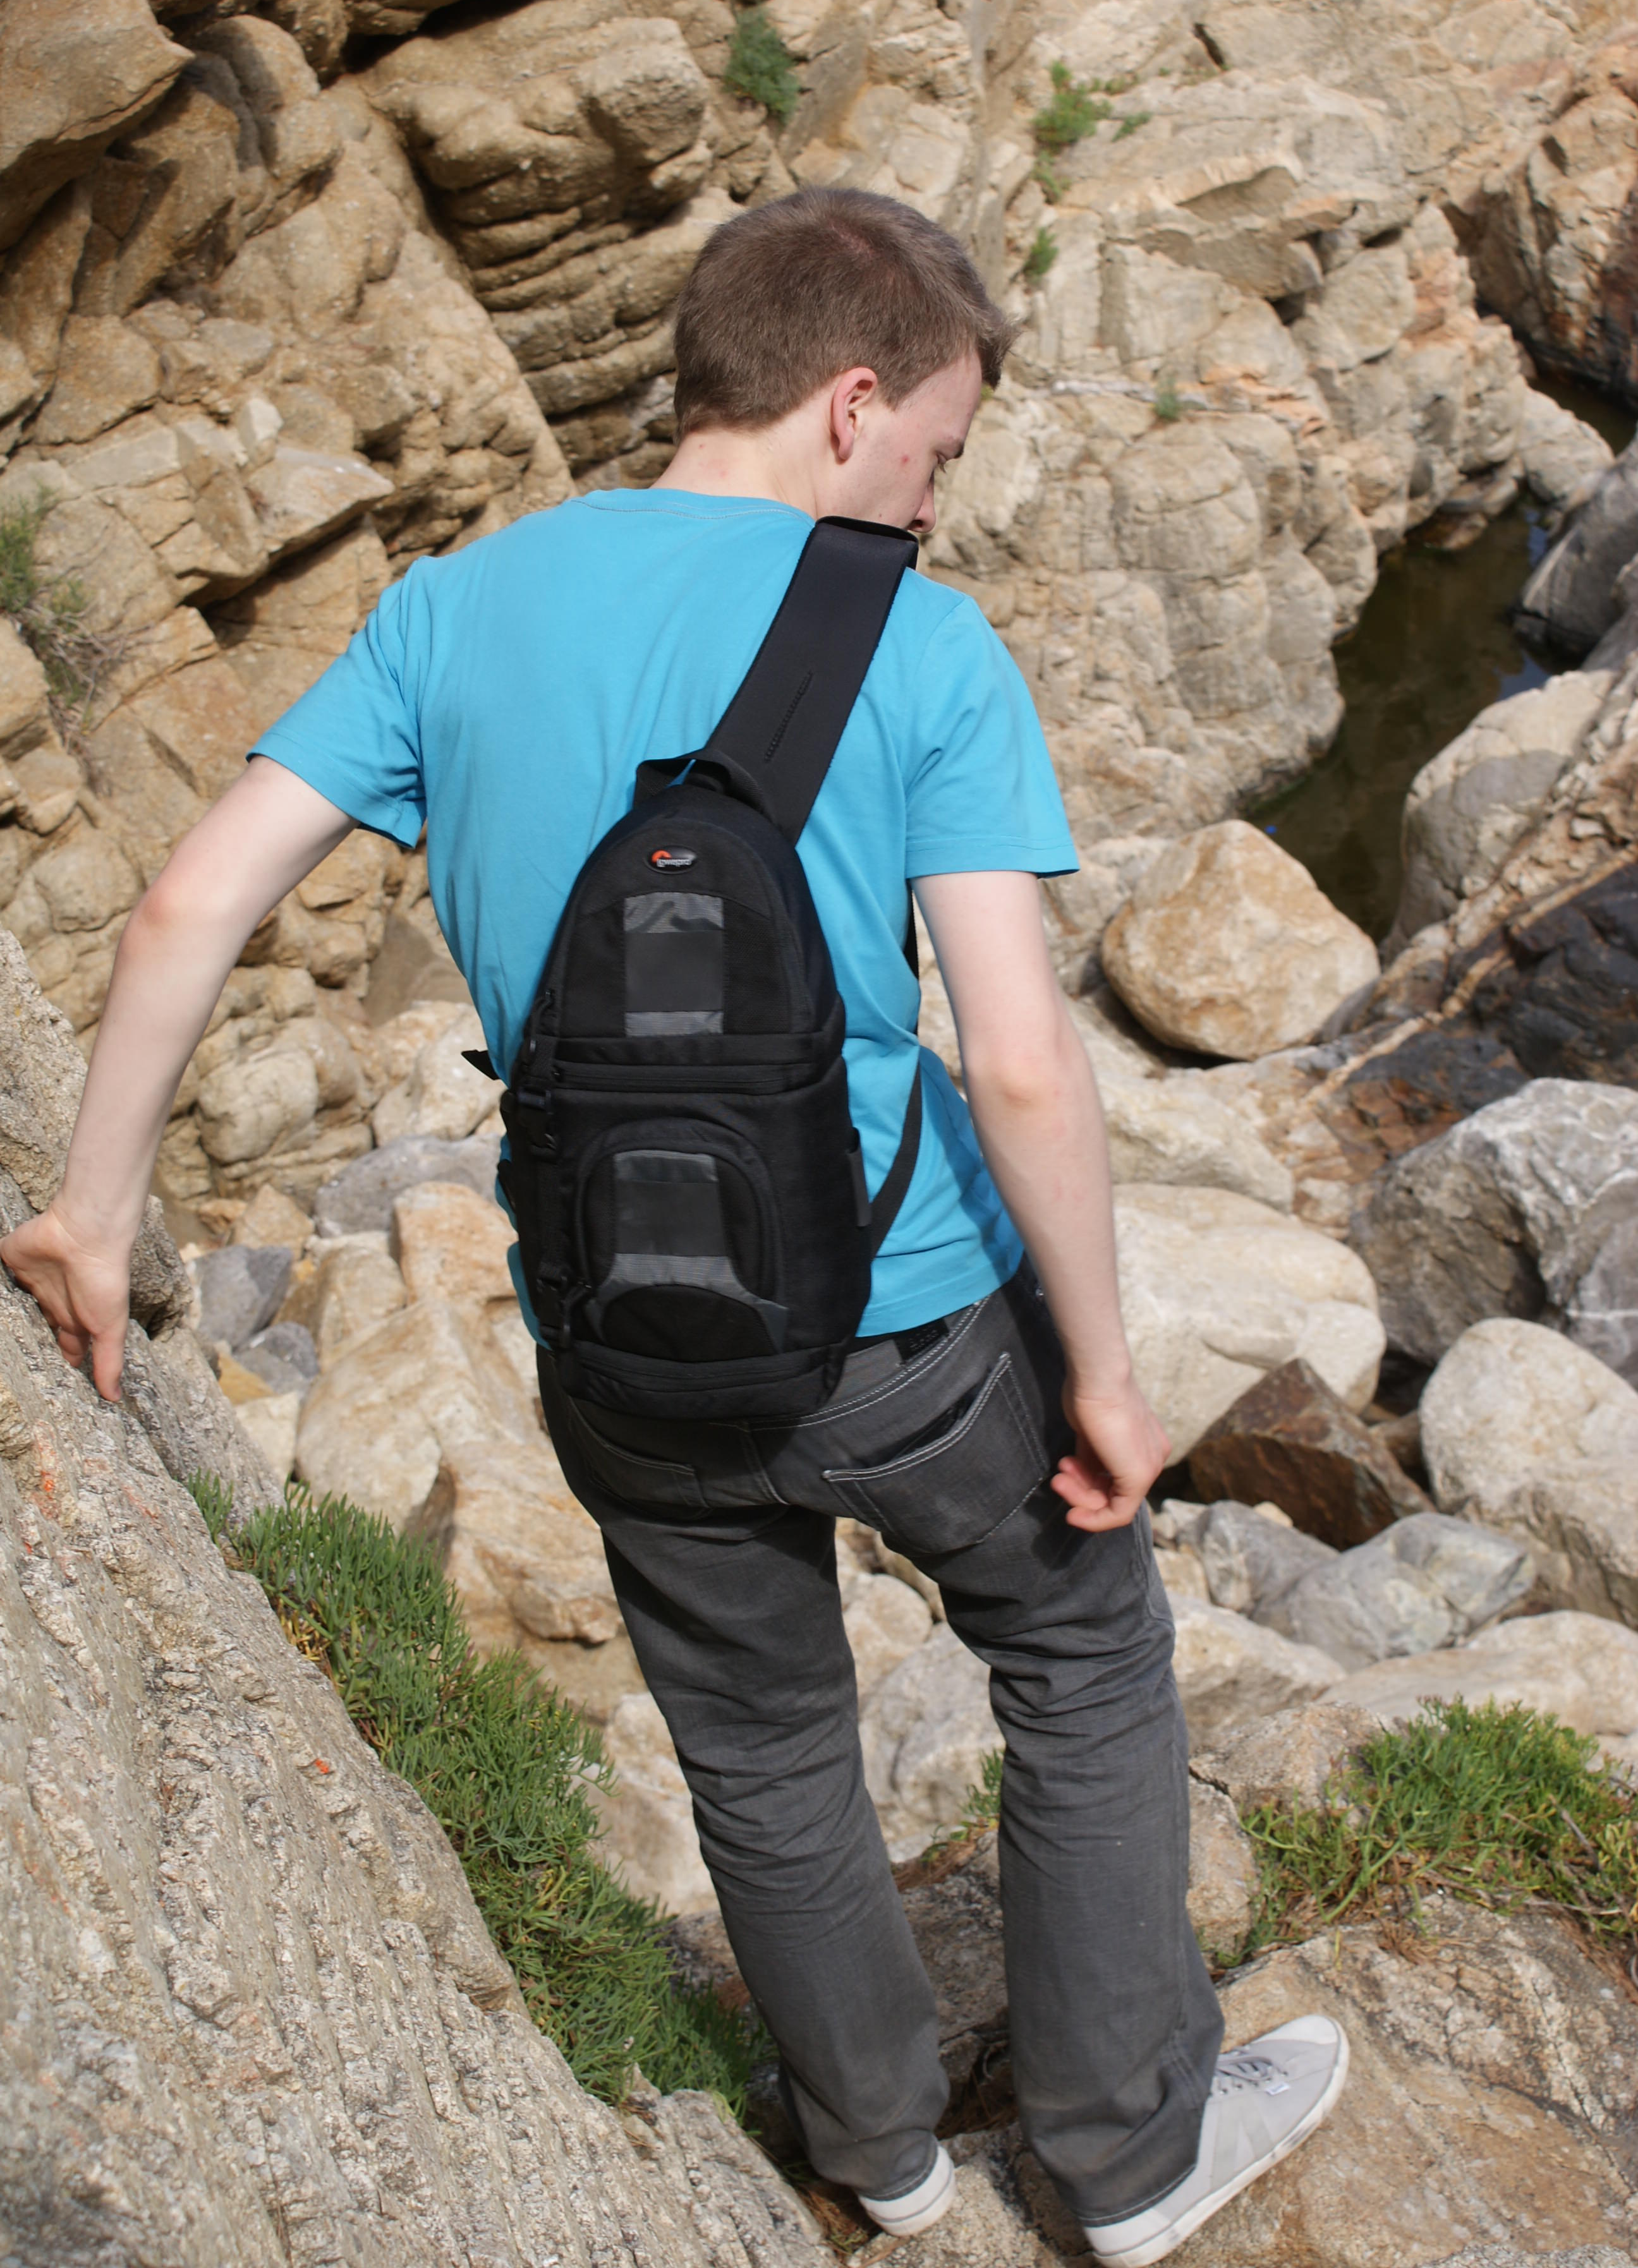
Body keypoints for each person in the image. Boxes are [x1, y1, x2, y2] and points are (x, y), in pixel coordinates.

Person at [0, 187, 1346, 2262]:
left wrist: (94, 1219)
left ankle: (881, 2157)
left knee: (761, 1738)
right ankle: (1130, 2160)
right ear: (851, 404)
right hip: (912, 1328)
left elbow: (184, 906)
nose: (934, 504)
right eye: (937, 453)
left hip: (618, 1336)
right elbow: (1018, 1063)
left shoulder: (448, 611)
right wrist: (1101, 1371)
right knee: (1081, 1658)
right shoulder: (918, 639)